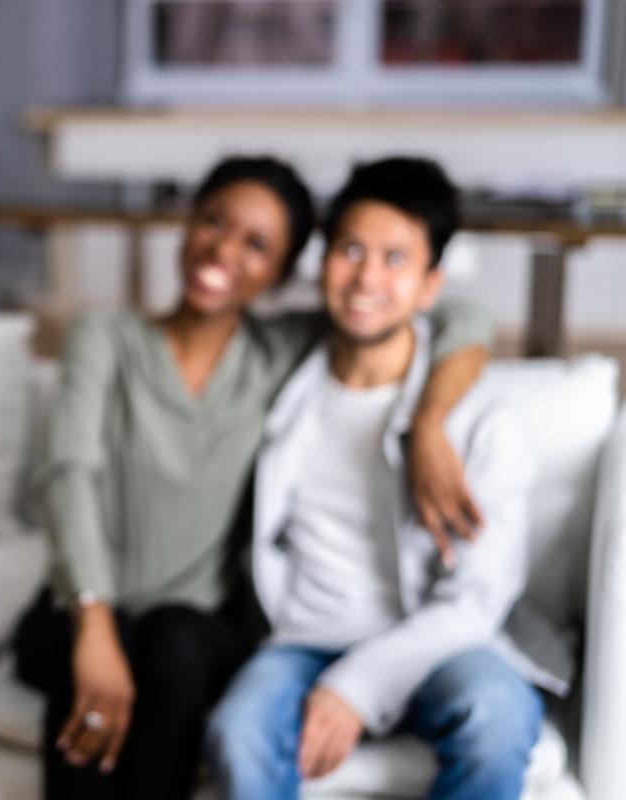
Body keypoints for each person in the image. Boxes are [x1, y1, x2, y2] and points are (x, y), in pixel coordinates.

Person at [12, 155, 496, 799]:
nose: (224, 250)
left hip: (191, 627)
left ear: (283, 272)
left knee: (173, 643)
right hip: (82, 608)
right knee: (109, 653)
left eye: (257, 244)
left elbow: (461, 320)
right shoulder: (105, 338)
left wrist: (429, 423)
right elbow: (67, 474)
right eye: (214, 222)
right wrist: (93, 623)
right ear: (189, 224)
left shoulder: (279, 352)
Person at [203, 157, 572, 800]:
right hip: (301, 639)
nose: (366, 277)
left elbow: (477, 599)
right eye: (350, 250)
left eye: (395, 259)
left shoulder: (478, 419)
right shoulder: (282, 383)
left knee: (496, 716)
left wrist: (354, 688)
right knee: (238, 732)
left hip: (440, 642)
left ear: (430, 286)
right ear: (322, 262)